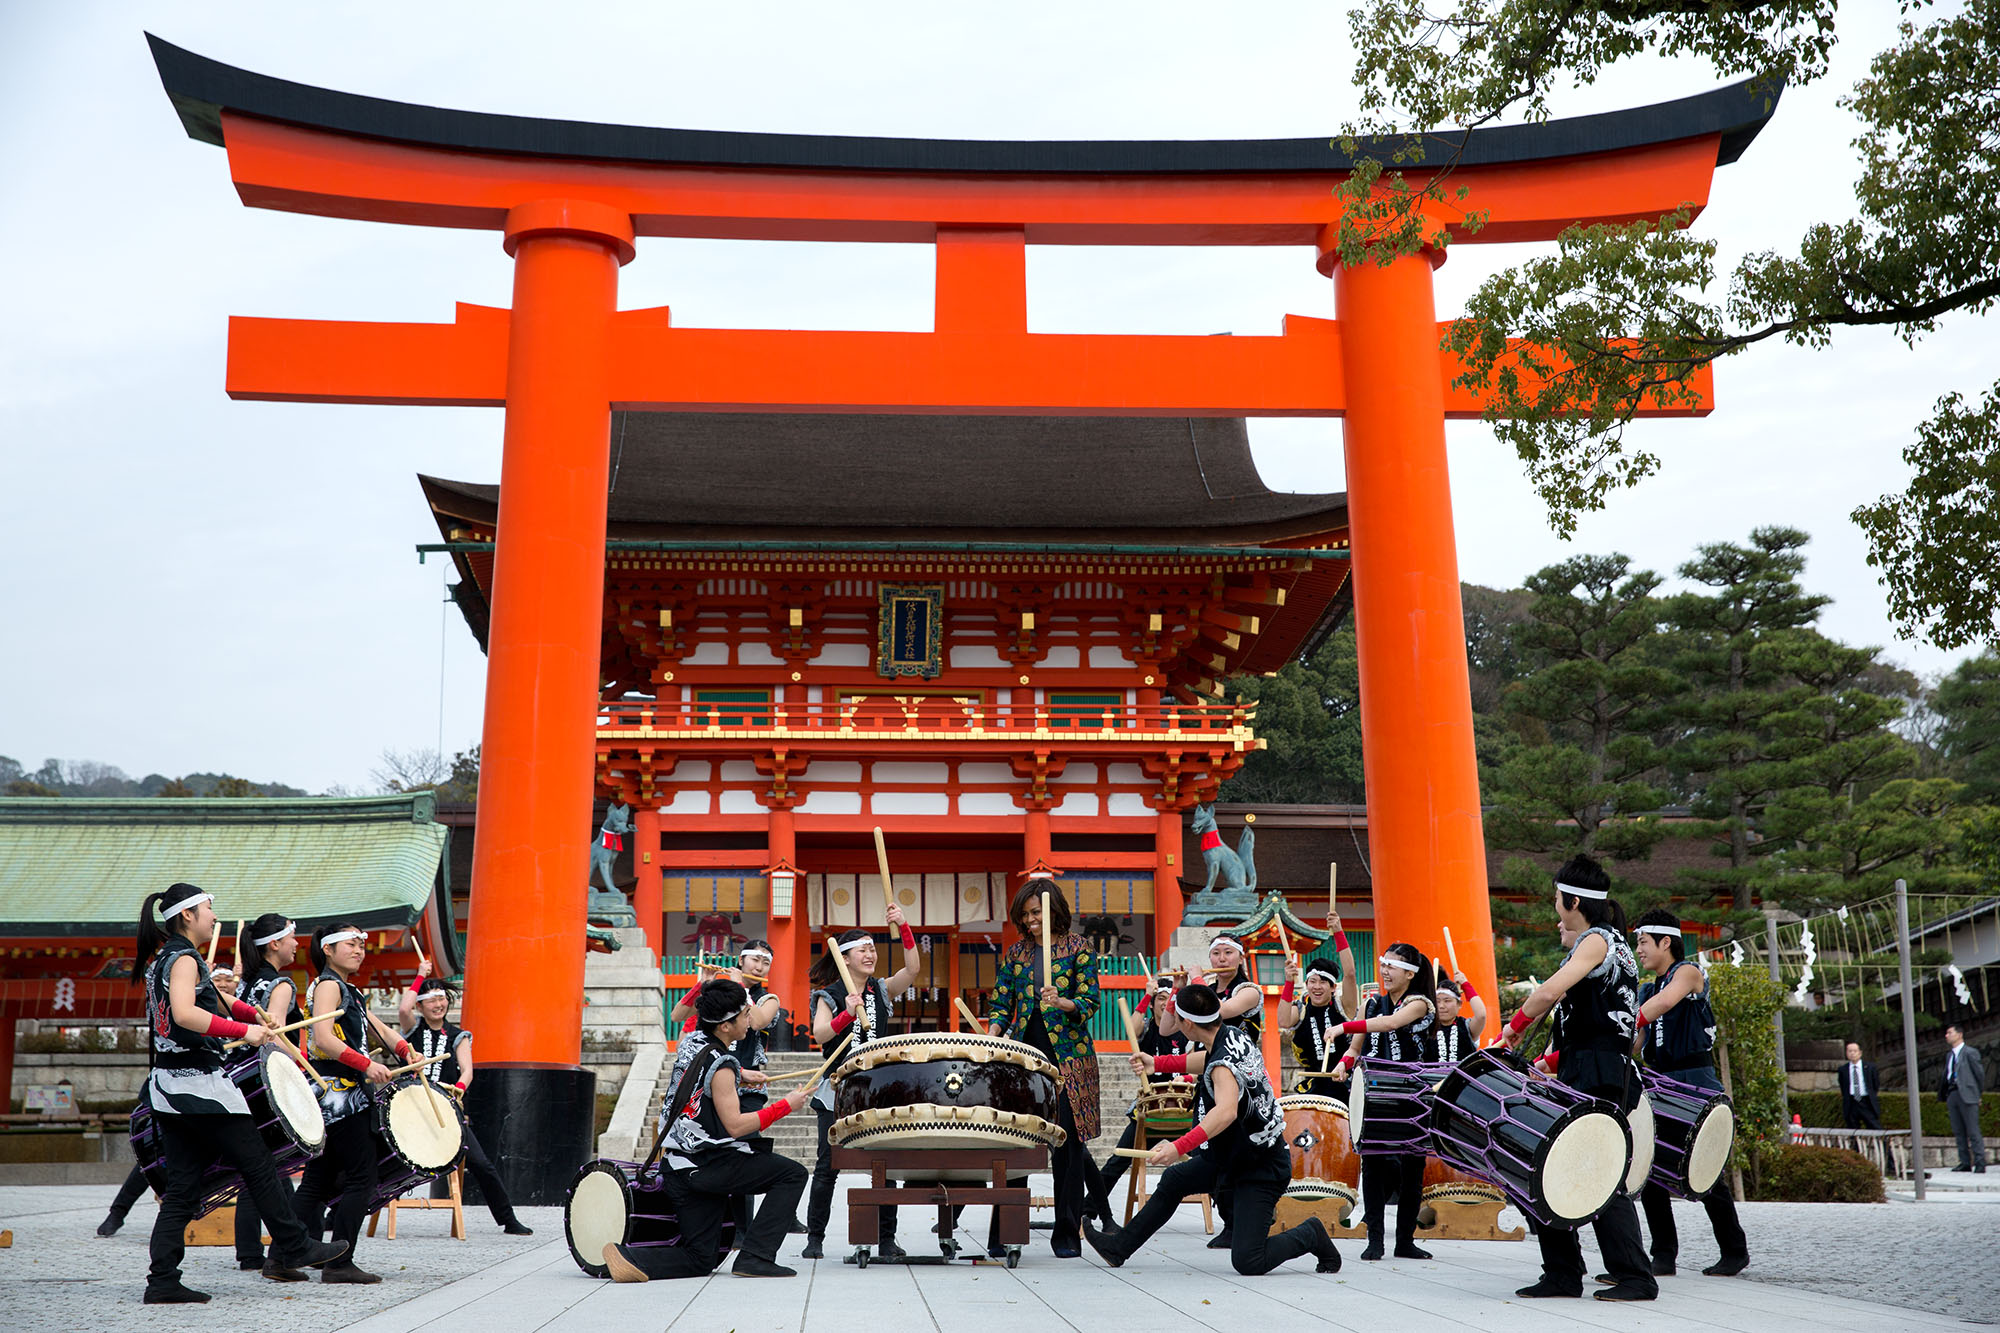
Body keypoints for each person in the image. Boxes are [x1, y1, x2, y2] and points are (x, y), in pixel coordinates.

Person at [130, 885, 345, 1303]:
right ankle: (295, 1244)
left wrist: (251, 1013)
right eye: (209, 909)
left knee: (182, 1190)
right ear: (188, 915)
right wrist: (246, 1031)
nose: (214, 917)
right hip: (199, 1088)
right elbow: (186, 1012)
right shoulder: (185, 958)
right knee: (260, 1164)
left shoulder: (165, 958)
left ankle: (162, 1281)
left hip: (171, 1089)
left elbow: (216, 999)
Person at [1082, 983, 1341, 1276]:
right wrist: (1158, 1062)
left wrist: (1177, 1146)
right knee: (1175, 1179)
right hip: (1232, 1157)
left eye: (1177, 1018)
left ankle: (1310, 1234)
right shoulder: (1231, 1034)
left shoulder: (1222, 1066)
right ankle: (1118, 1248)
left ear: (1188, 1023)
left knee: (1248, 1261)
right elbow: (1205, 1060)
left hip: (1261, 1167)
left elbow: (1226, 1112)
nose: (1174, 1024)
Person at [1500, 854, 1656, 1303]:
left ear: (1572, 900)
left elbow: (1548, 991)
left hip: (1598, 1070)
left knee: (1597, 1170)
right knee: (1555, 1164)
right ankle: (1564, 1272)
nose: (1554, 906)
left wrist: (1510, 1032)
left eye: (1556, 899)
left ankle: (1634, 1276)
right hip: (1592, 1066)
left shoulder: (1597, 940)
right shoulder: (1609, 942)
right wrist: (1550, 1061)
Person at [603, 978, 812, 1281]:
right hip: (709, 1166)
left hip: (678, 1168)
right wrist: (786, 1106)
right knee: (792, 1174)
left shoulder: (692, 1042)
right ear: (726, 1026)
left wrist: (741, 1075)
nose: (749, 1019)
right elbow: (737, 1126)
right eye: (744, 1015)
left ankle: (627, 1256)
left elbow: (706, 1069)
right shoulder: (724, 1065)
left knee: (701, 1259)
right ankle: (756, 1256)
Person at [986, 881, 1104, 1256]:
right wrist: (991, 1037)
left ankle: (1067, 1233)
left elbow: (1090, 1001)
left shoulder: (1078, 948)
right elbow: (1001, 1003)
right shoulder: (1017, 953)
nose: (1030, 920)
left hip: (1069, 1056)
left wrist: (1064, 1002)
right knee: (1015, 1140)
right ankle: (1006, 1231)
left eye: (1036, 912)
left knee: (1067, 1146)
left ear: (1054, 911)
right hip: (1024, 1058)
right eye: (1025, 914)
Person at [800, 904, 923, 1260]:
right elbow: (821, 1033)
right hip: (837, 1088)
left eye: (872, 949)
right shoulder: (829, 994)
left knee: (884, 1163)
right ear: (845, 958)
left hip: (878, 1089)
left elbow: (913, 969)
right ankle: (815, 1238)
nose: (870, 955)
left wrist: (903, 927)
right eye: (862, 950)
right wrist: (845, 1014)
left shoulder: (880, 991)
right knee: (828, 1165)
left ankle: (887, 1238)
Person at [1630, 908, 1749, 1278]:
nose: (1639, 951)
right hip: (1659, 1083)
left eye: (1643, 942)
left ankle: (1734, 1250)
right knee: (1650, 1168)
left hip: (1695, 1082)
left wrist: (1621, 1022)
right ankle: (1663, 1253)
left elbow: (1664, 1005)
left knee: (1705, 1170)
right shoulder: (1647, 989)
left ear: (1667, 942)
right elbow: (1637, 1041)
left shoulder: (1688, 973)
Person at [293, 922, 412, 1285]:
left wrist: (406, 1050)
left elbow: (376, 1028)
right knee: (362, 1175)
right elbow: (324, 1039)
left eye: (361, 944)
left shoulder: (347, 989)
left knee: (318, 1178)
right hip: (341, 1095)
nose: (359, 950)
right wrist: (367, 1064)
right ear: (327, 949)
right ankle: (340, 1262)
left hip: (338, 1094)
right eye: (350, 944)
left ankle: (282, 1256)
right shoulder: (329, 985)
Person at [395, 970, 534, 1235]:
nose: (438, 1004)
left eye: (442, 998)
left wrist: (458, 1089)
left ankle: (508, 1219)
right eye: (431, 999)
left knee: (482, 1164)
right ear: (420, 1005)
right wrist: (419, 976)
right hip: (408, 1109)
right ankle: (339, 1210)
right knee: (376, 1158)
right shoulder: (411, 1029)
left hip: (446, 1110)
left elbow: (467, 1071)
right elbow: (403, 1006)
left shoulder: (459, 1036)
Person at [1333, 940, 1438, 1262]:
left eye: (1392, 966)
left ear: (1410, 973)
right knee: (1374, 1165)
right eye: (1384, 965)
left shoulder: (1420, 1003)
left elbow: (1392, 1024)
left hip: (1411, 1093)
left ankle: (1404, 1240)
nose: (1385, 971)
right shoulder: (1372, 1005)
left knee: (1413, 1168)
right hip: (1374, 1092)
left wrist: (1343, 1026)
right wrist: (1343, 1064)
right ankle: (1374, 1239)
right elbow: (1355, 1048)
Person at [231, 914, 309, 1278]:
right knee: (264, 1168)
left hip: (236, 1076)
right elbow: (273, 1036)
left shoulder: (247, 981)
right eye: (292, 938)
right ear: (275, 943)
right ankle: (264, 1252)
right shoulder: (281, 984)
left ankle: (257, 1250)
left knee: (262, 1169)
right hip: (261, 1082)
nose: (297, 944)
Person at [1089, 971, 1196, 1219]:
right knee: (1118, 1160)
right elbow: (1132, 1029)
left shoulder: (1187, 1030)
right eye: (1159, 997)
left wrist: (1187, 1078)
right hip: (1149, 1105)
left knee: (1210, 1156)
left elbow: (1203, 1065)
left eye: (1167, 998)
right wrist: (1146, 996)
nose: (1163, 1003)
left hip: (1185, 1105)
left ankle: (1232, 1218)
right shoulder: (1147, 1026)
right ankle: (1089, 1209)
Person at [1192, 931, 1265, 1249]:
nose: (1221, 959)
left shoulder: (1249, 991)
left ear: (1240, 958)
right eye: (1216, 954)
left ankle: (1243, 1222)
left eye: (1227, 953)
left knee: (1238, 1153)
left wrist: (1194, 987)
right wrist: (1174, 997)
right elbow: (1169, 1028)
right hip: (1209, 1079)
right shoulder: (1205, 990)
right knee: (1213, 1154)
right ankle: (1229, 1222)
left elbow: (1220, 1012)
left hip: (1243, 1083)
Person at [1279, 907, 1360, 1091]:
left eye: (1323, 982)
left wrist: (1338, 931)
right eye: (1312, 982)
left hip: (1345, 1081)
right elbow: (1283, 1021)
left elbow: (1350, 974)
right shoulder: (1301, 1009)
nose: (1316, 987)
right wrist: (1289, 982)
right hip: (1311, 1084)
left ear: (1333, 987)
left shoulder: (1343, 1007)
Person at [1941, 1024, 1988, 1173]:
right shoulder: (1949, 1055)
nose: (1947, 1036)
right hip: (1953, 1093)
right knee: (1958, 1130)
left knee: (1973, 1129)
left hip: (1967, 1094)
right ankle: (1964, 1161)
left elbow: (1979, 1074)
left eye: (1950, 1032)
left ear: (1959, 1034)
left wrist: (1977, 1094)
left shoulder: (1970, 1052)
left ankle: (1980, 1161)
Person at [1430, 970, 1487, 1065]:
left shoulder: (1466, 1026)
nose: (1441, 1006)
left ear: (1459, 1004)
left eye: (1447, 1001)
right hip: (1431, 1079)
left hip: (1463, 1079)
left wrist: (1465, 985)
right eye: (1437, 1001)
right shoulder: (1427, 1027)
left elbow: (1481, 1015)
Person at [1839, 1041, 1882, 1131]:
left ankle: (1882, 1144)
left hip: (1866, 1101)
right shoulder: (1843, 1069)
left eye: (1855, 1051)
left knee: (1874, 1126)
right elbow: (1843, 1086)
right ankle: (1855, 1145)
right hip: (1851, 1102)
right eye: (1850, 1051)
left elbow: (1875, 1084)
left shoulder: (1870, 1067)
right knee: (1852, 1128)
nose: (1852, 1053)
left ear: (1860, 1053)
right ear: (1846, 1053)